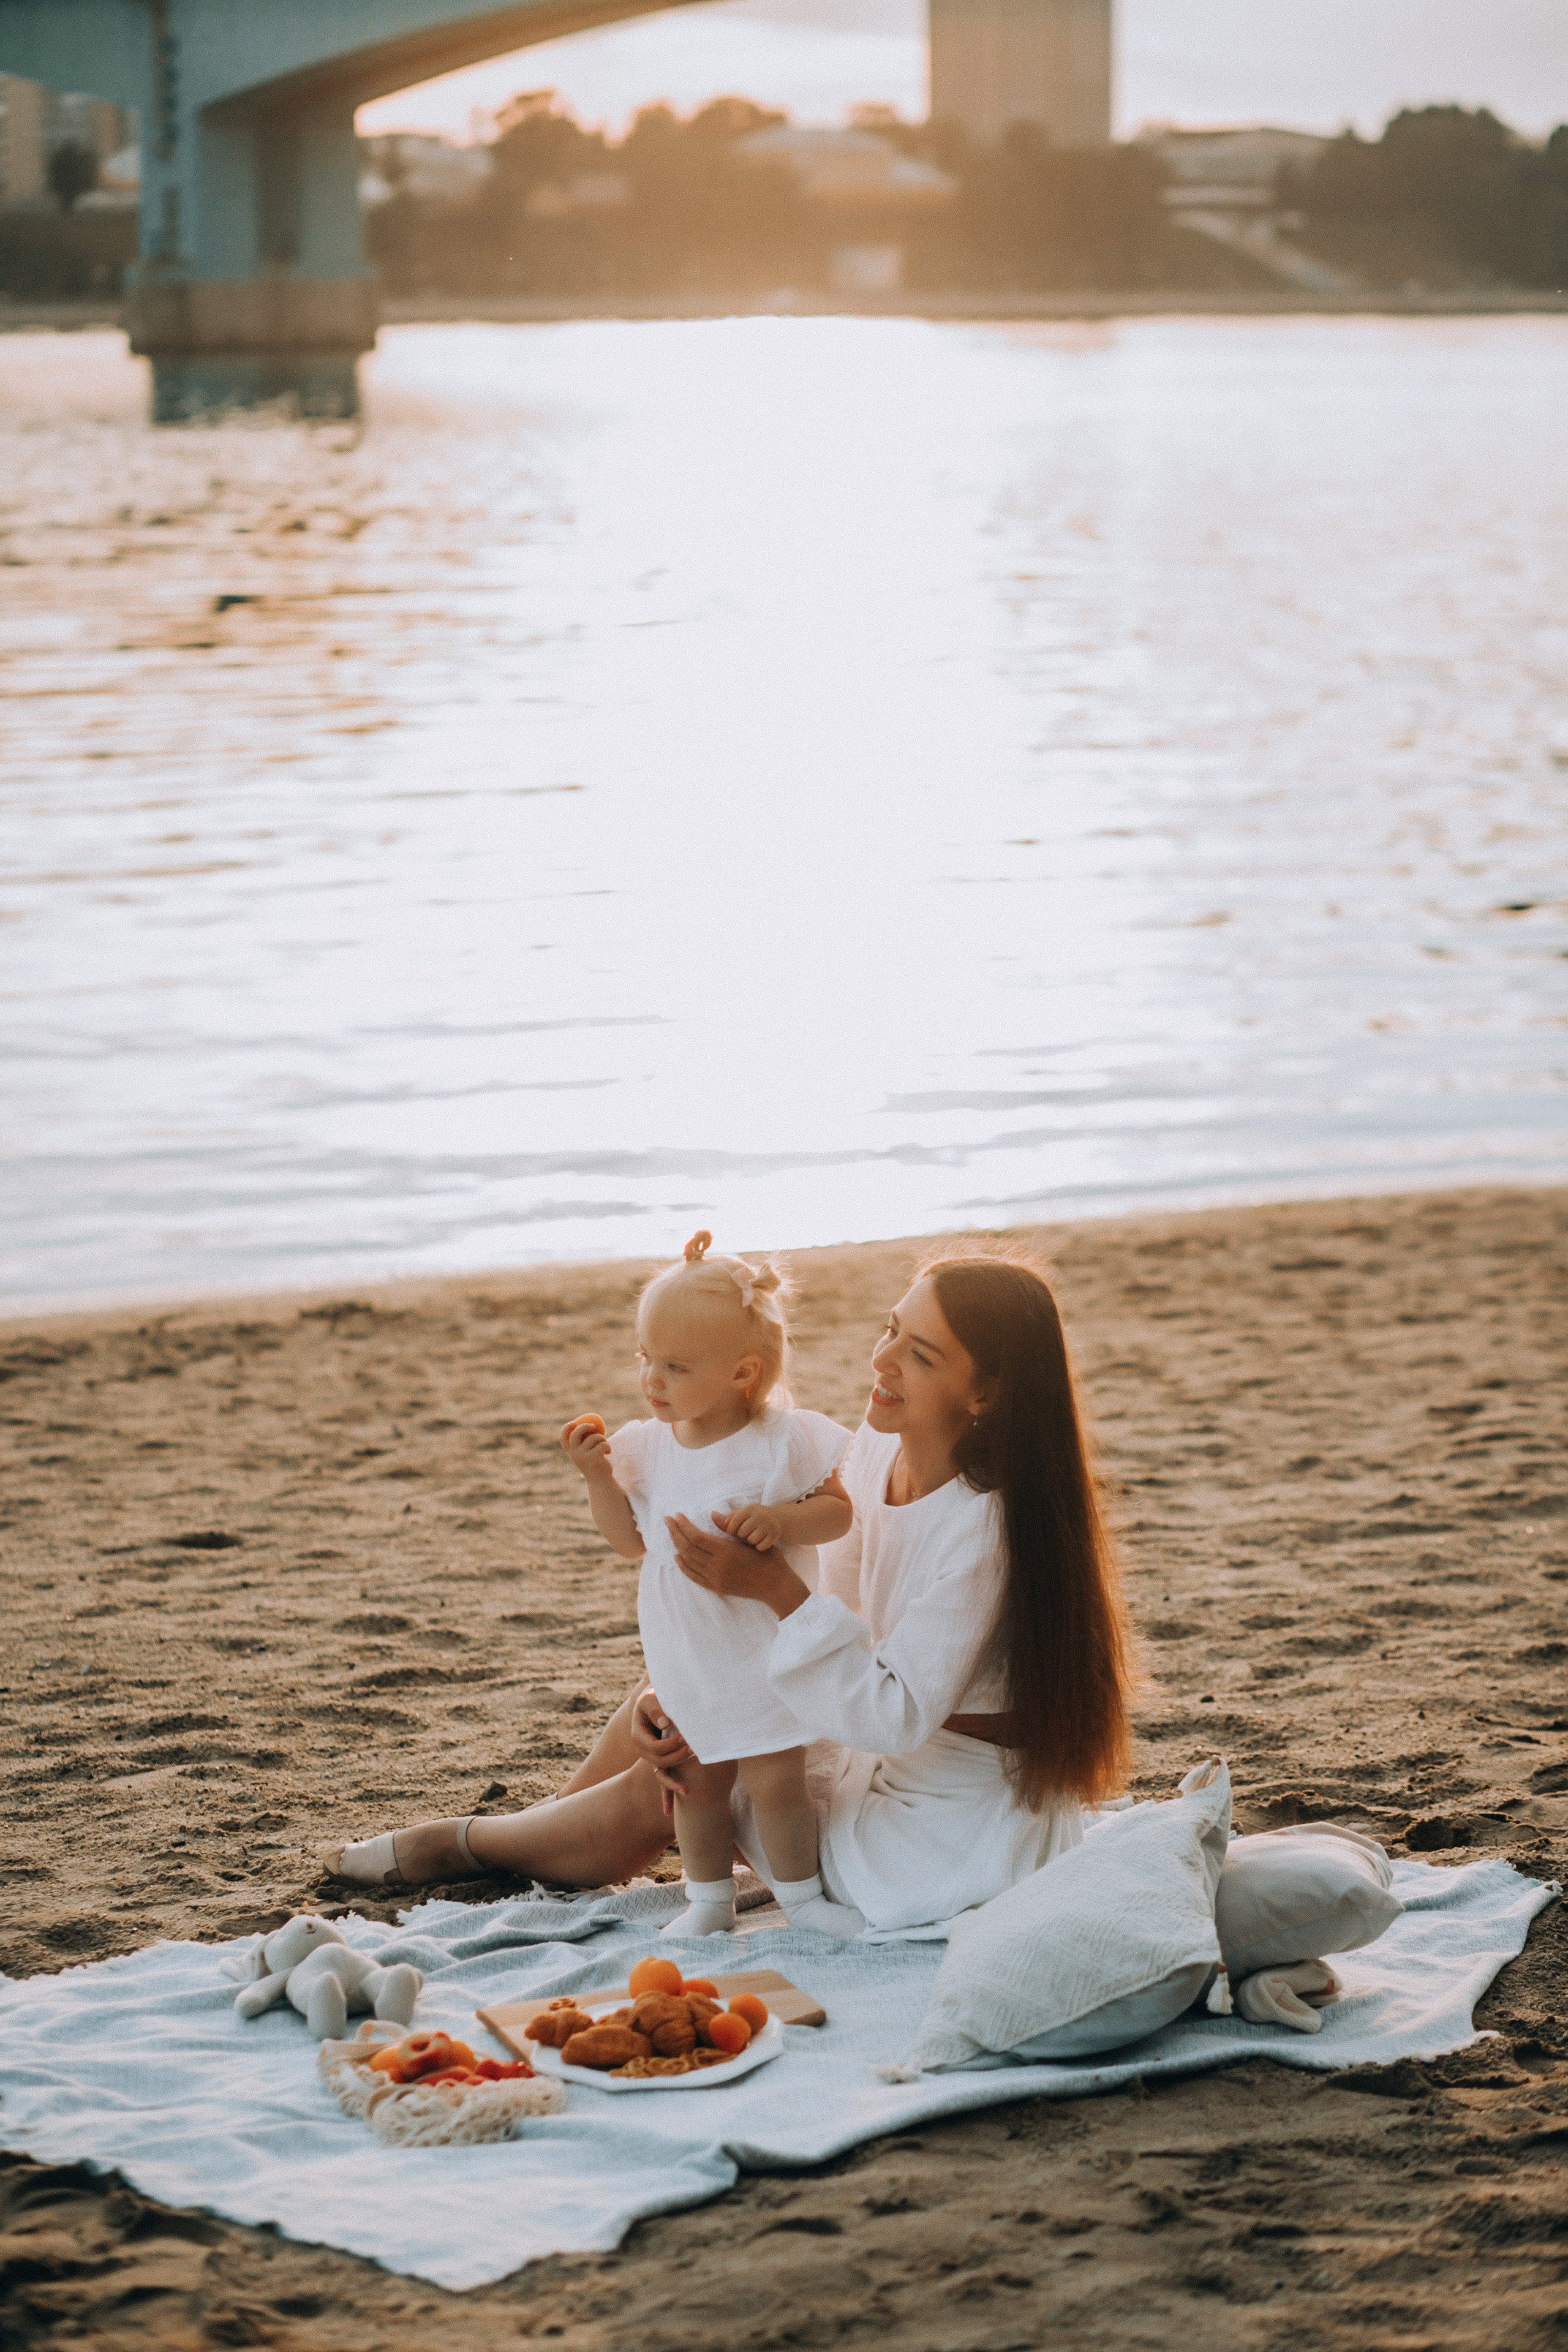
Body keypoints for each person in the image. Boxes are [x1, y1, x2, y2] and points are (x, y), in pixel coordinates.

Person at [325, 1243, 1134, 1937]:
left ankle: (467, 1845)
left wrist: (775, 1592)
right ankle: (543, 1835)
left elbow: (891, 1711)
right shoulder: (875, 1455)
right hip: (870, 1747)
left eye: (920, 1356)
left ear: (984, 1393)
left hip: (940, 1831)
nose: (881, 1362)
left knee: (688, 1765)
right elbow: (838, 1612)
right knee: (670, 1707)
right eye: (891, 1329)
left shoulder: (985, 1528)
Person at [560, 1231, 859, 1939]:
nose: (650, 1380)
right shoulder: (646, 1449)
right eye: (644, 1360)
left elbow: (838, 1513)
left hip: (763, 1651)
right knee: (693, 1783)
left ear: (742, 1374)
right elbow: (629, 1541)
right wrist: (598, 1479)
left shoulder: (781, 1441)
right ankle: (708, 1902)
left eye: (674, 1365)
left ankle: (803, 1898)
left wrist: (782, 1521)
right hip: (687, 1654)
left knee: (775, 1779)